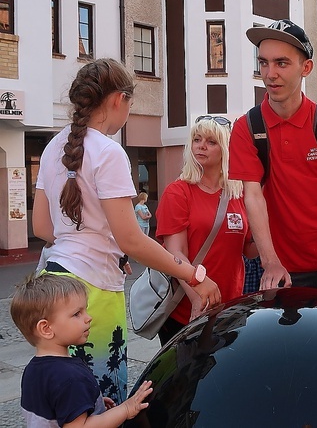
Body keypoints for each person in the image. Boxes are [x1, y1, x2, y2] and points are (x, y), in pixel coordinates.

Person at [32, 58, 221, 403]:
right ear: (119, 99)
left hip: (52, 282)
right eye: (130, 105)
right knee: (100, 402)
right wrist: (194, 275)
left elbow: (43, 227)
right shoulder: (109, 152)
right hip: (93, 294)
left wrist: (99, 244)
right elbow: (132, 239)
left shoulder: (52, 147)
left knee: (60, 398)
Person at [229, 19, 317, 295]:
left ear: (306, 68)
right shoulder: (248, 127)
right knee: (291, 339)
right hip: (286, 264)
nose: (270, 74)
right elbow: (252, 197)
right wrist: (270, 263)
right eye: (264, 63)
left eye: (281, 63)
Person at [155, 116, 256, 345]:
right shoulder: (178, 192)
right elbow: (175, 255)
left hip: (231, 307)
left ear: (226, 149)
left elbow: (248, 250)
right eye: (197, 140)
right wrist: (197, 301)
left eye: (211, 141)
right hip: (186, 310)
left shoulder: (237, 193)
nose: (201, 146)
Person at [10, 273, 153, 427]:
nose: (88, 318)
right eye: (77, 314)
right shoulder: (69, 378)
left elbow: (54, 407)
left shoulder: (33, 369)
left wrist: (87, 404)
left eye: (85, 310)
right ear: (46, 328)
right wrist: (126, 409)